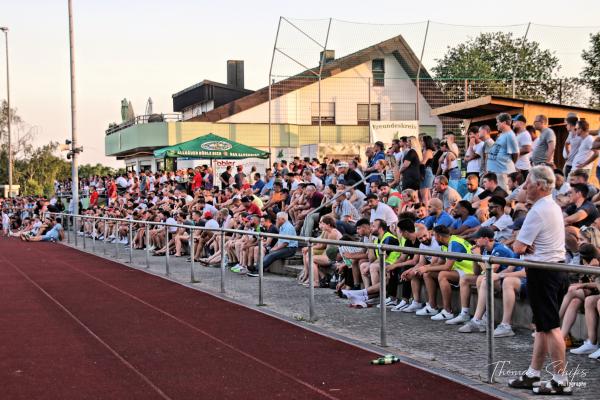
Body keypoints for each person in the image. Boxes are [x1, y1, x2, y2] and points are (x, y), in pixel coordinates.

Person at [509, 165, 570, 395]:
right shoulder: (550, 206)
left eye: (528, 183)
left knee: (551, 327)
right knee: (542, 326)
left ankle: (560, 379)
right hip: (553, 270)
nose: (524, 186)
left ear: (541, 186)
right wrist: (523, 244)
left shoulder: (538, 210)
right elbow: (522, 245)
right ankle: (534, 373)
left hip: (545, 273)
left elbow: (518, 246)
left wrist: (522, 244)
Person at [247, 212, 297, 277]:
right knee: (270, 252)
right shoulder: (282, 226)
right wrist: (274, 247)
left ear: (283, 219)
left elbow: (285, 243)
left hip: (290, 249)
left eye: (278, 219)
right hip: (285, 247)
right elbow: (280, 240)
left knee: (272, 255)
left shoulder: (288, 227)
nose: (276, 220)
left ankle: (257, 270)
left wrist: (276, 248)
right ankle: (256, 267)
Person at [487, 112, 519, 192]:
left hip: (503, 172)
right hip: (497, 172)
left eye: (498, 122)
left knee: (504, 195)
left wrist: (509, 164)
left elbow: (516, 153)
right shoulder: (502, 134)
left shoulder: (510, 135)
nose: (496, 124)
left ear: (504, 123)